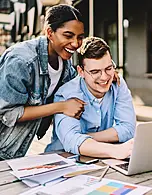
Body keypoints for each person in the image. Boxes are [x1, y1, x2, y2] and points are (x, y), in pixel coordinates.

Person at [0, 4, 86, 160]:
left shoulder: (65, 65)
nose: (75, 43)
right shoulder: (21, 61)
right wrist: (61, 107)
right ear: (49, 32)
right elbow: (8, 113)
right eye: (68, 35)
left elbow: (79, 85)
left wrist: (105, 73)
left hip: (14, 152)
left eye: (80, 37)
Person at [45, 37, 136, 159]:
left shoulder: (118, 85)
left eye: (108, 68)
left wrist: (83, 138)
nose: (104, 77)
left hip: (101, 158)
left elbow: (128, 129)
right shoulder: (66, 94)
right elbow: (71, 140)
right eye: (95, 72)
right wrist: (114, 150)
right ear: (81, 71)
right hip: (63, 158)